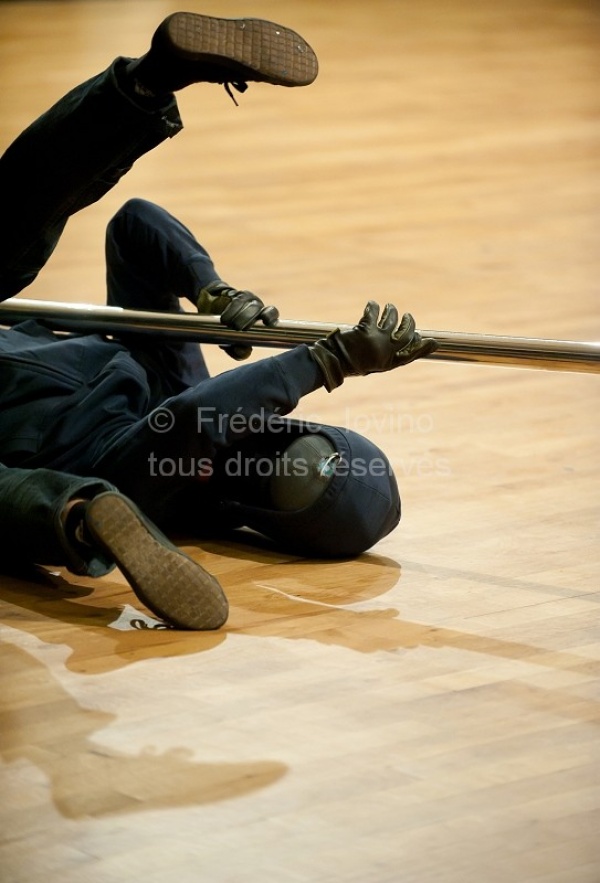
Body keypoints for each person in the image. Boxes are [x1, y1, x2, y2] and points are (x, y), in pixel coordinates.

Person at [0, 12, 436, 630]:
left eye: (284, 481)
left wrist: (328, 360)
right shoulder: (181, 389)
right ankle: (151, 82)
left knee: (16, 218)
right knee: (19, 212)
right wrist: (210, 290)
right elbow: (135, 228)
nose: (266, 464)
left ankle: (83, 513)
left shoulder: (177, 483)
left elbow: (189, 424)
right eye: (296, 457)